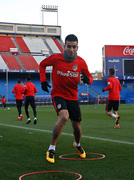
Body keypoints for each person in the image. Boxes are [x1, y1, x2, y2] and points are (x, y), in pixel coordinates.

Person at [39, 34, 93, 164]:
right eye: (69, 46)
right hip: (58, 94)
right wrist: (43, 80)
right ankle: (51, 149)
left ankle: (77, 144)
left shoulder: (81, 62)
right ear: (64, 46)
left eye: (74, 47)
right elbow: (42, 65)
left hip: (73, 97)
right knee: (64, 117)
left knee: (77, 128)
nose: (71, 49)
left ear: (77, 47)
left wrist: (87, 80)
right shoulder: (56, 59)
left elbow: (90, 78)